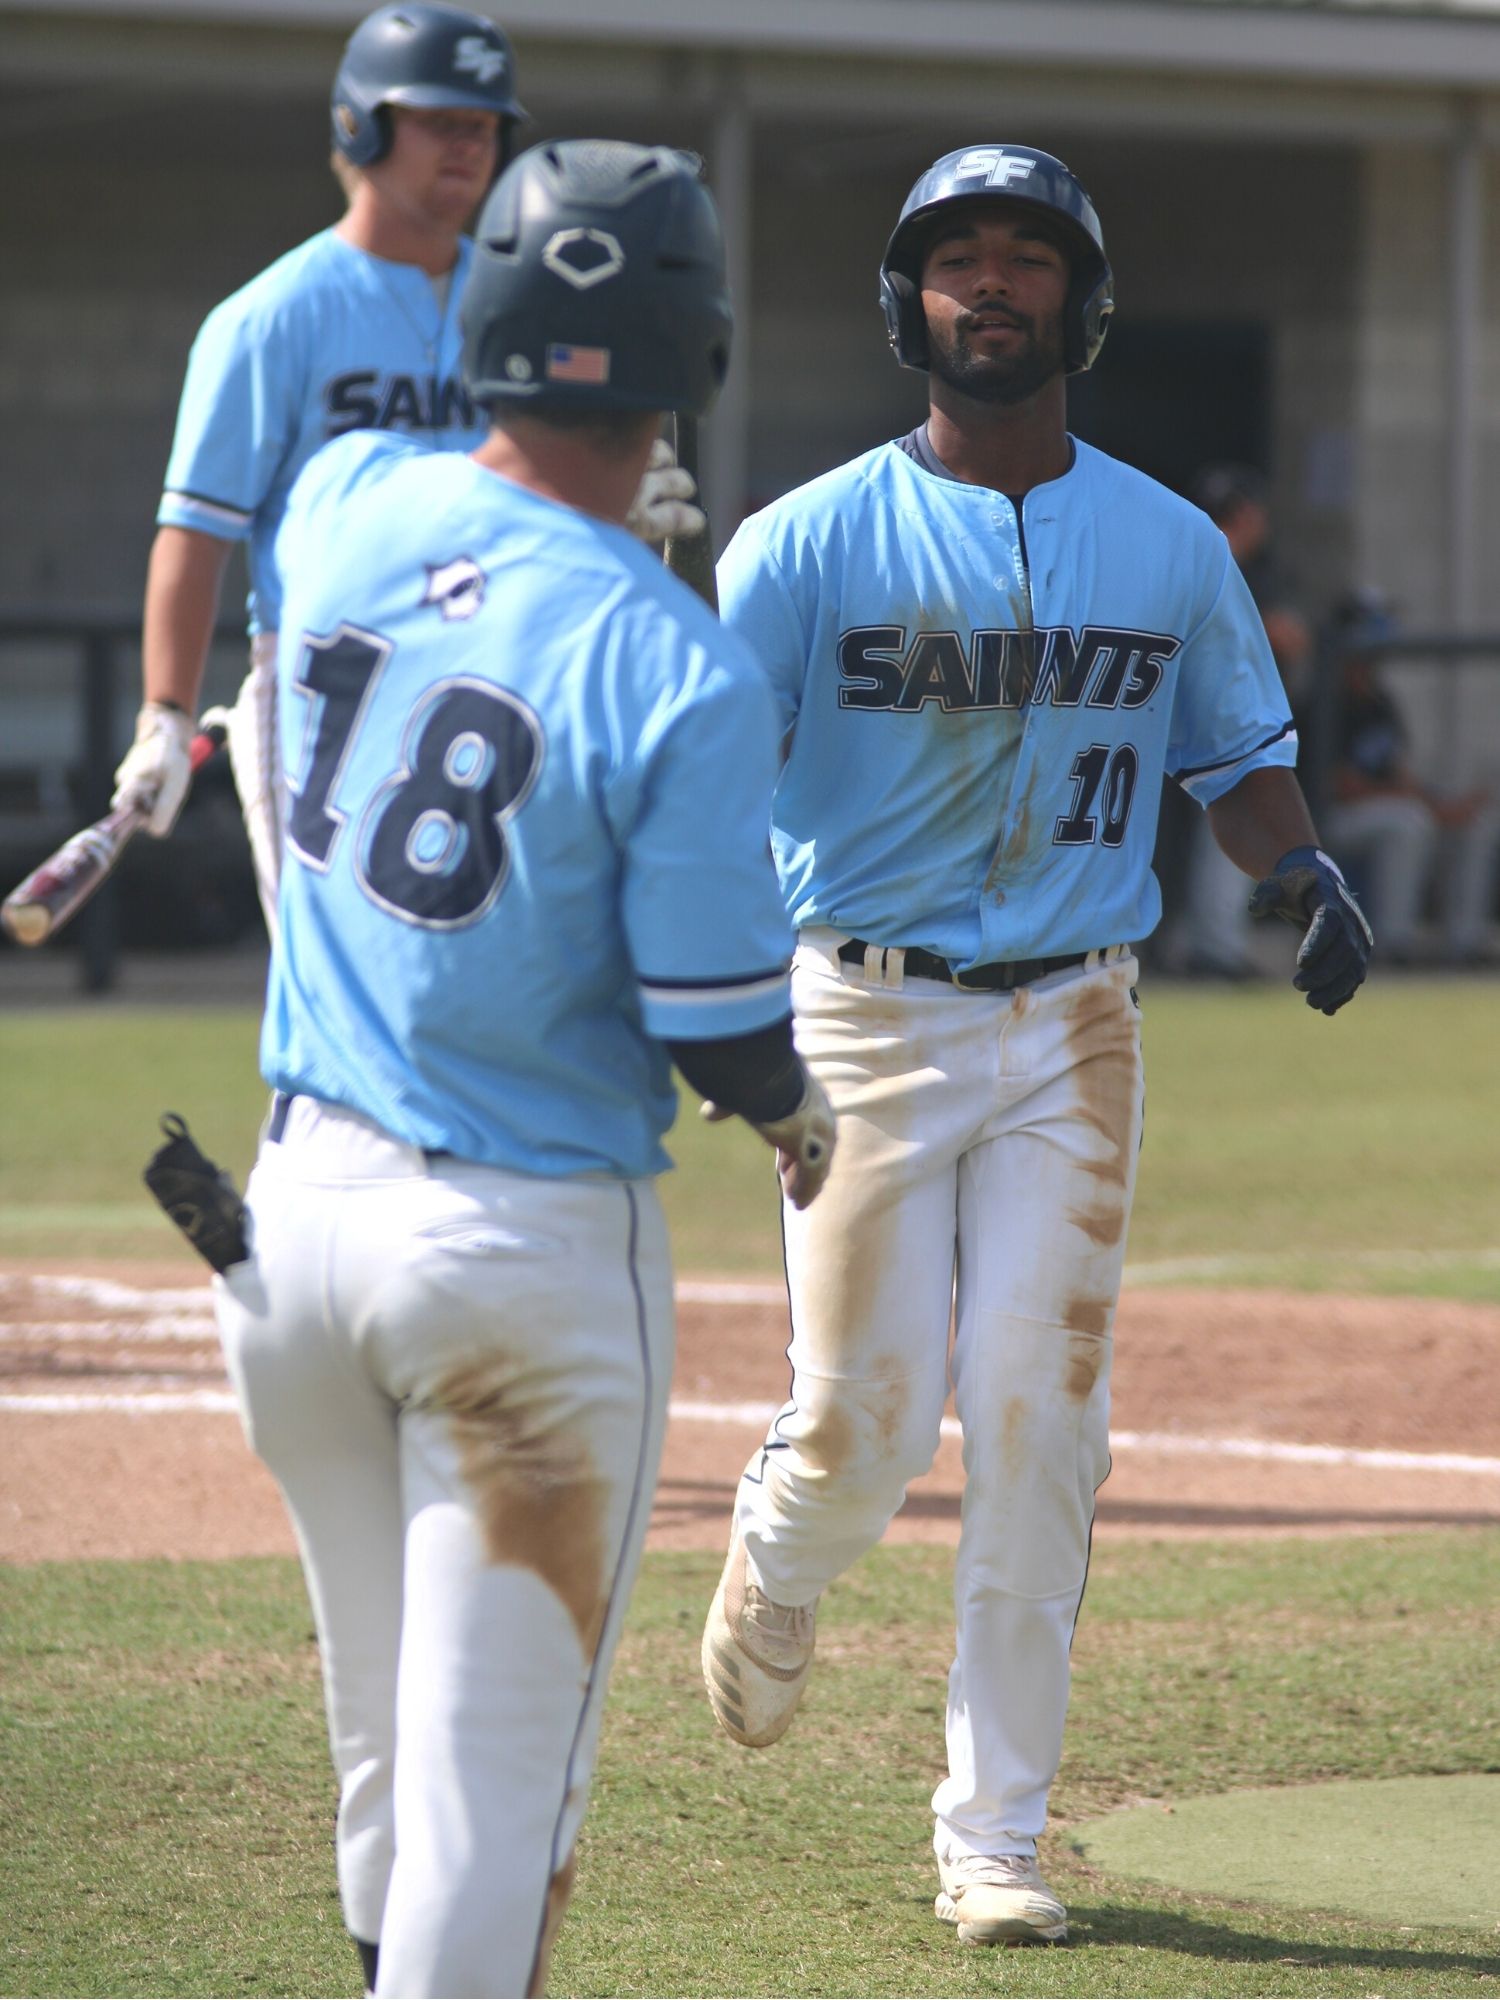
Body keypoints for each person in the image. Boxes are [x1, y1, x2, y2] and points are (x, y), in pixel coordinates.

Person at [698, 143, 1371, 1949]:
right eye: (955, 260)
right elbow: (694, 779)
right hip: (858, 1011)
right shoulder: (810, 537)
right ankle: (777, 1546)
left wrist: (1301, 865)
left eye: (1026, 257)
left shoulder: (1163, 541)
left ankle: (992, 1834)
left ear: (1084, 300)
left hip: (1076, 1018)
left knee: (1039, 1417)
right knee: (860, 1423)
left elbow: (1235, 761)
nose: (990, 285)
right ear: (905, 305)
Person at [212, 140, 835, 1999]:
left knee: (382, 1752)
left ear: (479, 315)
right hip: (517, 1259)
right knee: (499, 1819)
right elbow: (713, 1016)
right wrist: (803, 1120)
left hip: (285, 1231)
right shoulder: (675, 657)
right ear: (688, 359)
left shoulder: (338, 496)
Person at [108, 2, 700, 937]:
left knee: (508, 959)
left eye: (484, 125)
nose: (468, 146)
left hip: (504, 667)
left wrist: (610, 499)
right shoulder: (271, 316)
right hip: (330, 680)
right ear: (364, 123)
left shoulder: (526, 304)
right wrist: (165, 714)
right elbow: (197, 533)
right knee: (348, 963)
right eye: (439, 121)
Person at [1168, 462, 1315, 977]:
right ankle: (1213, 948)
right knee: (1230, 823)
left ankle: (1206, 942)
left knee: (1210, 832)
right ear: (1244, 513)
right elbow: (1286, 636)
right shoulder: (1218, 560)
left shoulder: (1187, 552)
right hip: (1210, 721)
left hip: (1182, 720)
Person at [1319, 589, 1500, 964]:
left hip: (1384, 810)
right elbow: (1341, 787)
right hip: (1327, 818)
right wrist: (1418, 803)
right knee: (1409, 823)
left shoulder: (1382, 701)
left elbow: (1401, 776)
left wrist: (1444, 806)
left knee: (1475, 823)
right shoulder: (1323, 698)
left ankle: (1464, 943)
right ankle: (1393, 943)